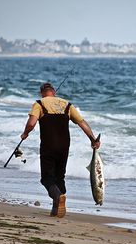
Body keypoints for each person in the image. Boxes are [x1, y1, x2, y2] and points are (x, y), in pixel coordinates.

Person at [21, 82, 100, 218]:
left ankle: (58, 197)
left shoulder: (39, 104)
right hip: (64, 147)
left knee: (46, 178)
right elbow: (82, 123)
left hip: (48, 146)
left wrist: (25, 133)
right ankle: (56, 207)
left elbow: (32, 123)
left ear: (42, 93)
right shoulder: (67, 105)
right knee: (59, 177)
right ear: (54, 92)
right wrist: (93, 139)